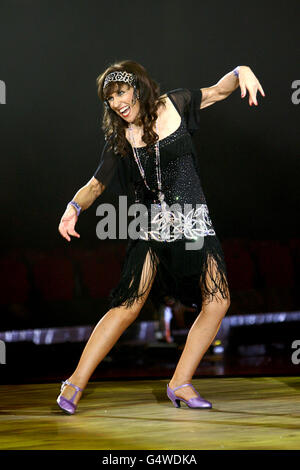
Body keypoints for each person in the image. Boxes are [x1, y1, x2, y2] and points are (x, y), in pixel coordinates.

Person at [57, 60, 265, 413]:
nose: (116, 102)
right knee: (127, 306)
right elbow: (95, 185)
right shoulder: (120, 137)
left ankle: (180, 382)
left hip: (194, 220)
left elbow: (217, 91)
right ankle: (74, 382)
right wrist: (73, 208)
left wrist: (240, 70)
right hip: (151, 225)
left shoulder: (177, 103)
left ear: (138, 88)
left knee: (219, 301)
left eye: (120, 92)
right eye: (109, 98)